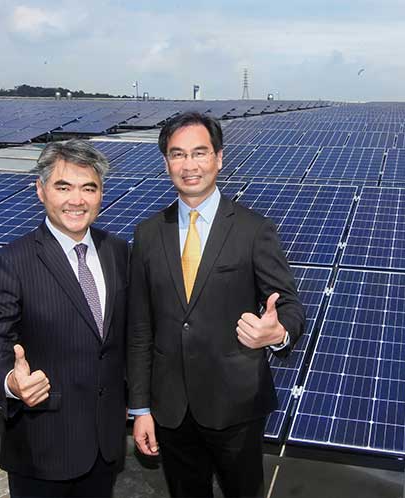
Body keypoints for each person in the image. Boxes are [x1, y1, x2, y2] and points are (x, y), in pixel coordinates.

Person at [127, 112, 305, 498]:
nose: (189, 165)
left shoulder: (253, 229)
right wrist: (140, 409)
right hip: (171, 408)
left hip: (236, 406)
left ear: (219, 158)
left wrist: (278, 332)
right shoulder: (147, 234)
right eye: (177, 154)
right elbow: (140, 328)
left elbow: (289, 304)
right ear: (166, 163)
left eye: (199, 153)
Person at [0, 140, 128, 498]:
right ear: (40, 191)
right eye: (63, 187)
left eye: (89, 188)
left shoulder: (118, 252)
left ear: (101, 194)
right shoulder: (11, 261)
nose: (77, 200)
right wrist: (11, 382)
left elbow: (124, 339)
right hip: (42, 448)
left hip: (104, 446)